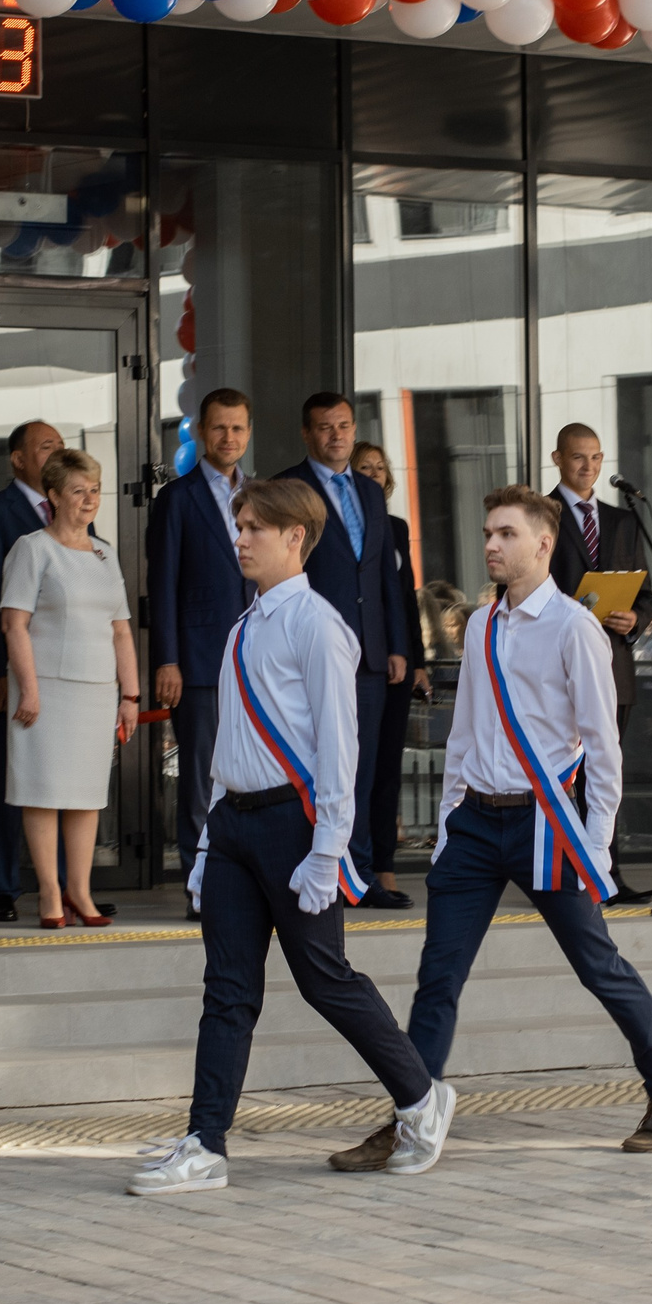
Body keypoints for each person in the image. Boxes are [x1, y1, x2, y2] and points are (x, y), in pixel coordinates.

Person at [330, 487, 652, 1173]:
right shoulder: (483, 624)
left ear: (542, 545)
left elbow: (602, 743)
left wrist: (595, 842)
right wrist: (445, 826)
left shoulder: (573, 627)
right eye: (488, 532)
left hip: (545, 821)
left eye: (505, 533)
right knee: (437, 978)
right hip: (474, 825)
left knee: (598, 967)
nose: (491, 544)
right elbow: (464, 733)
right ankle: (412, 1116)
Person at [128, 478, 453, 1196]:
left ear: (294, 539)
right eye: (239, 525)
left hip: (293, 824)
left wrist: (329, 849)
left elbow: (343, 748)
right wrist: (208, 842)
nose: (240, 538)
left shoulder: (317, 625)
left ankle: (422, 1099)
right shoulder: (246, 625)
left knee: (324, 980)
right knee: (228, 989)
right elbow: (228, 746)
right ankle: (205, 1143)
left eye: (253, 528)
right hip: (237, 825)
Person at [0, 448, 138, 928]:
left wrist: (130, 696)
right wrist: (29, 690)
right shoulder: (31, 548)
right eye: (78, 490)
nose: (89, 499)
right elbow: (14, 625)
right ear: (53, 495)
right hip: (47, 691)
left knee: (86, 795)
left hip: (96, 692)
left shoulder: (105, 553)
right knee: (43, 791)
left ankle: (81, 892)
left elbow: (121, 629)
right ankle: (50, 894)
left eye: (95, 490)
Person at [278, 394, 405, 889]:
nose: (336, 436)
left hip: (371, 655)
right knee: (318, 762)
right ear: (308, 434)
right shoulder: (288, 488)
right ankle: (318, 867)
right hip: (313, 649)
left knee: (364, 767)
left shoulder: (371, 493)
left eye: (345, 426)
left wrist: (395, 645)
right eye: (325, 428)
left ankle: (359, 873)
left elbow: (381, 579)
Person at [150, 389, 252, 922]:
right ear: (200, 432)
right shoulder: (177, 499)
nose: (228, 438)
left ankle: (246, 879)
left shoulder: (265, 495)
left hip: (260, 663)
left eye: (237, 428)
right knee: (200, 778)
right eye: (219, 428)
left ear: (248, 432)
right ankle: (200, 883)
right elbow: (163, 584)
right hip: (200, 660)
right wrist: (167, 659)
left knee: (257, 774)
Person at [0, 418, 64, 922]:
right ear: (18, 459)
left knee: (60, 780)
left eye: (62, 447)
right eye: (46, 447)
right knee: (8, 778)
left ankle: (67, 884)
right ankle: (3, 884)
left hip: (62, 673)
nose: (57, 454)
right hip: (12, 672)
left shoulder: (71, 512)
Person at [351, 440, 430, 907]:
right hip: (356, 664)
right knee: (354, 771)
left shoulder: (396, 528)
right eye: (365, 467)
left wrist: (415, 658)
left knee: (386, 774)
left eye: (380, 468)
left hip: (396, 665)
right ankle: (351, 866)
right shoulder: (341, 524)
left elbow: (406, 596)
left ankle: (383, 865)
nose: (375, 474)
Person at [548, 424, 652, 738]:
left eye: (595, 457)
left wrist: (635, 620)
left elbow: (645, 595)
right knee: (563, 775)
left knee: (606, 776)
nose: (588, 466)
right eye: (578, 457)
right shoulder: (540, 515)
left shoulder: (623, 521)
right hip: (560, 666)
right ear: (557, 458)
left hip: (614, 667)